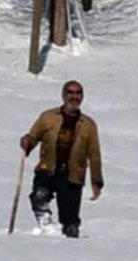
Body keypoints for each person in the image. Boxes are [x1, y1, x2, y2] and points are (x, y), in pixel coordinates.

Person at [20, 80, 104, 238]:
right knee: (39, 198)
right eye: (70, 93)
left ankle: (68, 252)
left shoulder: (88, 125)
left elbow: (94, 155)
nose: (74, 97)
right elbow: (33, 136)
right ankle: (47, 227)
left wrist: (96, 182)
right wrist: (27, 142)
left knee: (70, 223)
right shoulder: (48, 117)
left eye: (78, 93)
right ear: (64, 95)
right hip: (47, 170)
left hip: (72, 176)